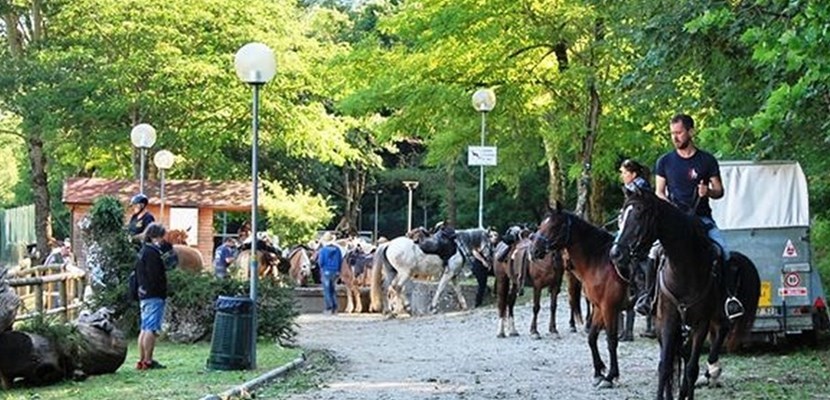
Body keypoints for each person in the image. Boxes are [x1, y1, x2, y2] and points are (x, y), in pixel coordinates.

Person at [652, 113, 743, 320]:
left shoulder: (706, 160)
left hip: (702, 219)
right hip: (675, 222)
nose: (675, 137)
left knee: (723, 251)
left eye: (679, 133)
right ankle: (648, 298)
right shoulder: (664, 161)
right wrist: (671, 210)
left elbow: (720, 190)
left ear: (691, 132)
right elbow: (659, 192)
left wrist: (707, 192)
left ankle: (729, 298)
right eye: (672, 133)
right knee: (653, 254)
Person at [616, 159, 657, 337]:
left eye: (624, 172)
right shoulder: (635, 188)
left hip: (639, 232)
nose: (622, 176)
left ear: (633, 174)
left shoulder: (639, 190)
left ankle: (639, 292)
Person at [135, 223, 168, 370]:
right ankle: (148, 360)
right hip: (154, 294)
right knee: (151, 328)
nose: (162, 240)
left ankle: (142, 359)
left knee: (144, 327)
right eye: (161, 236)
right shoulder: (152, 253)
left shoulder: (142, 251)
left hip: (144, 293)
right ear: (155, 236)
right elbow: (155, 275)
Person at [316, 232, 343, 314]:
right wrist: (338, 270)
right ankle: (335, 308)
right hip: (335, 271)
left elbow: (320, 262)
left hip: (326, 271)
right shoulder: (337, 249)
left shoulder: (323, 250)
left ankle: (329, 308)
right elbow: (340, 261)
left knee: (327, 290)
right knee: (333, 290)